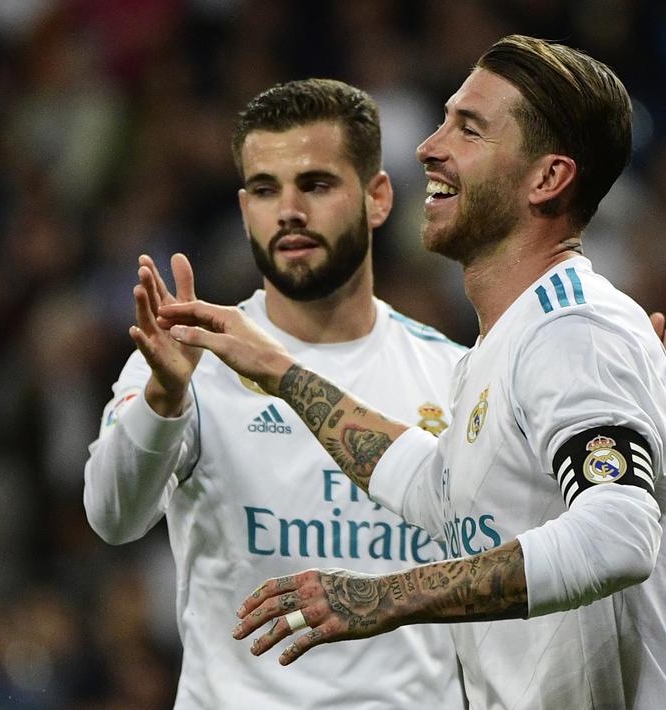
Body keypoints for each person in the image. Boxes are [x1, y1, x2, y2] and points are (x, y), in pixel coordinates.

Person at [158, 35, 666, 709]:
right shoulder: (505, 347)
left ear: (547, 178)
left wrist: (386, 597)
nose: (427, 146)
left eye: (468, 129)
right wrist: (277, 368)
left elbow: (618, 533)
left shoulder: (574, 331)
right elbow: (432, 487)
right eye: (443, 119)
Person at [83, 78, 470, 709]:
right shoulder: (184, 360)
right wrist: (163, 400)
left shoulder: (452, 373)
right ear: (243, 209)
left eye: (315, 184)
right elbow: (113, 518)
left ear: (377, 198)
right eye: (265, 189)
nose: (288, 209)